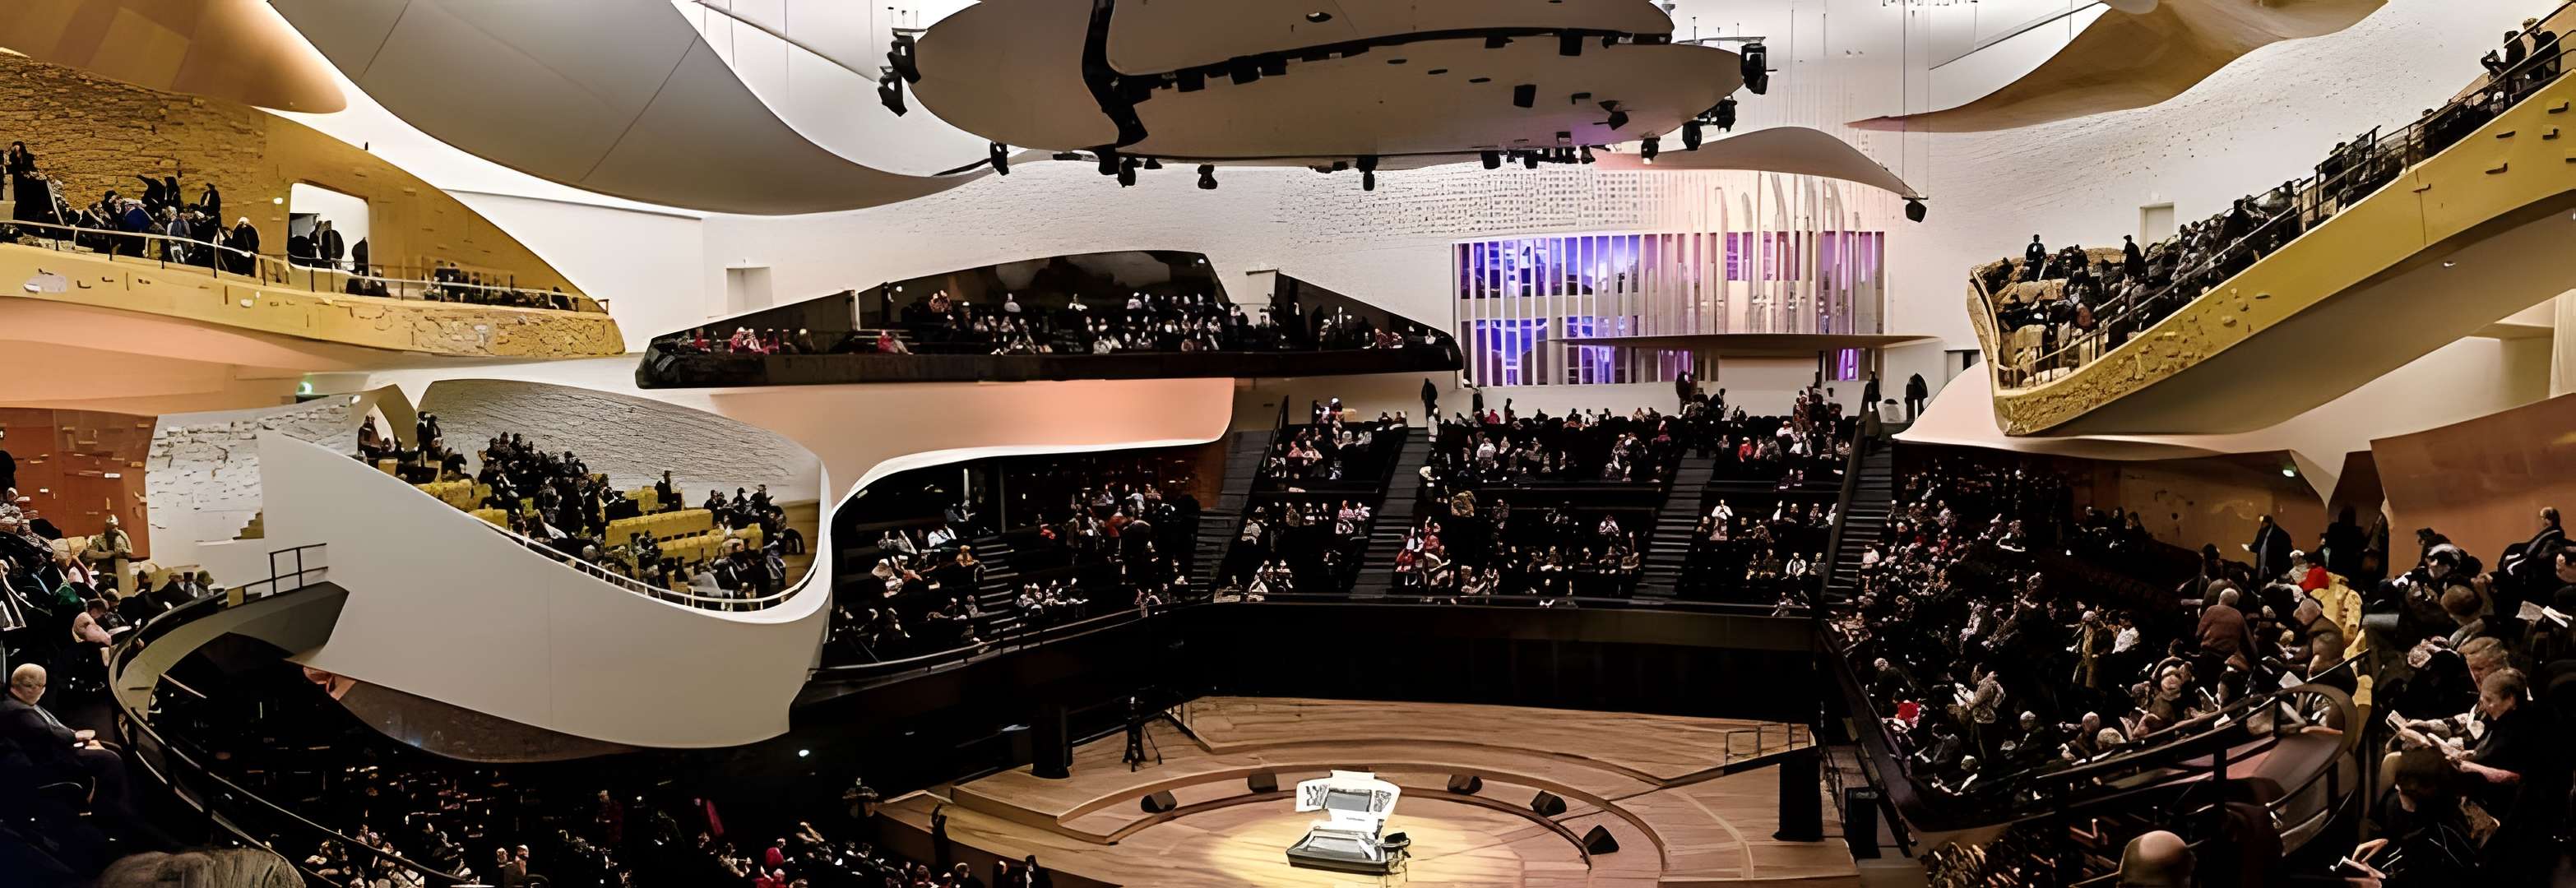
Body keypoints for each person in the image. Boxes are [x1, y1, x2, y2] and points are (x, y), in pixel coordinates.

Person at [1, 664, 132, 821]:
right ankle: (110, 814)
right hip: (48, 760)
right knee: (109, 759)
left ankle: (117, 806)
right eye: (42, 687)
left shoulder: (20, 703)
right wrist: (79, 738)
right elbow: (48, 734)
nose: (43, 691)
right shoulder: (17, 710)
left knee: (113, 749)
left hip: (52, 750)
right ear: (32, 687)